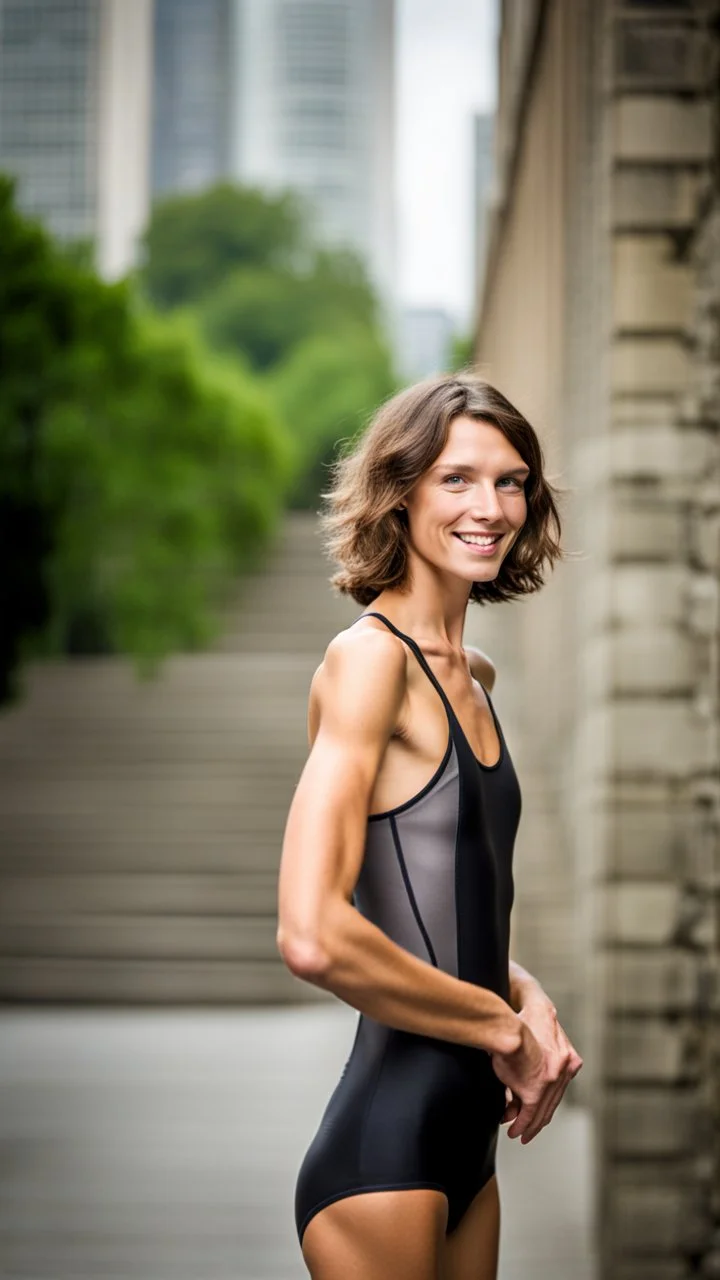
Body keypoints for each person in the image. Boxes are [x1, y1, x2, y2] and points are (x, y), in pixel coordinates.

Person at [276, 373, 583, 1280]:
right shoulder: (367, 664)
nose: (489, 506)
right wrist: (501, 1026)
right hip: (387, 1148)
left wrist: (527, 998)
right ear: (399, 491)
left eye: (511, 480)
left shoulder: (474, 675)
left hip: (468, 1153)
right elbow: (314, 933)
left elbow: (439, 911)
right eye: (456, 479)